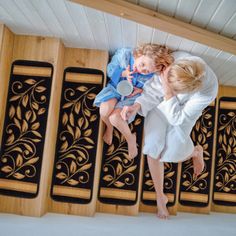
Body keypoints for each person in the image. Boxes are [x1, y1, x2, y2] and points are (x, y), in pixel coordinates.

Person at [121, 51, 218, 219]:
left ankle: (195, 151)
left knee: (171, 153)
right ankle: (160, 196)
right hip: (161, 104)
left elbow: (178, 118)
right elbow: (152, 90)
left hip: (183, 114)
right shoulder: (177, 60)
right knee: (152, 148)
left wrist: (168, 92)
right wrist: (136, 106)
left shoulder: (208, 91)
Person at [94, 44, 173, 159]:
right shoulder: (124, 55)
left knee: (115, 118)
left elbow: (149, 91)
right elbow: (110, 70)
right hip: (115, 89)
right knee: (104, 111)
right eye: (142, 64)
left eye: (146, 71)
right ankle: (109, 128)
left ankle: (131, 139)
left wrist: (140, 90)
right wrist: (123, 74)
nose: (142, 70)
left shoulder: (152, 75)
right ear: (140, 54)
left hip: (130, 97)